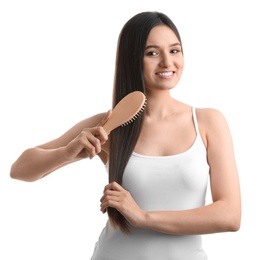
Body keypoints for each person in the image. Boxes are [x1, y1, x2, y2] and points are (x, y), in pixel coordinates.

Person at [10, 11, 241, 260]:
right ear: (132, 59)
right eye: (152, 53)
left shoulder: (208, 122)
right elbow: (20, 170)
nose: (167, 62)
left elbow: (229, 216)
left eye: (174, 50)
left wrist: (143, 217)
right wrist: (66, 154)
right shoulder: (110, 124)